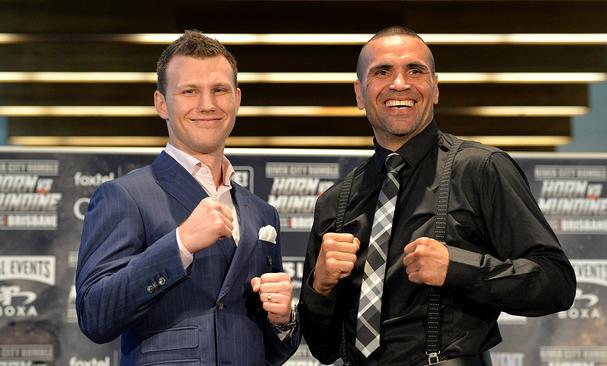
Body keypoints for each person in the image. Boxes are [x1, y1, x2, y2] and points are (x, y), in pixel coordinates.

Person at [298, 26, 576, 366]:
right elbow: (323, 349)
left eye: (415, 70)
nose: (399, 83)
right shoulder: (334, 203)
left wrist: (458, 268)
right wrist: (319, 288)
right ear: (359, 93)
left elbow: (556, 283)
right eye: (382, 71)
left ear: (435, 87)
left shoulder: (481, 170)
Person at [76, 30, 300, 365]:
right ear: (161, 103)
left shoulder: (262, 212)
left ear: (237, 99)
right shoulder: (124, 196)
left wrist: (283, 320)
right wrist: (180, 244)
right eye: (189, 91)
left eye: (219, 90)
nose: (207, 104)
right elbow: (95, 314)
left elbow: (274, 350)